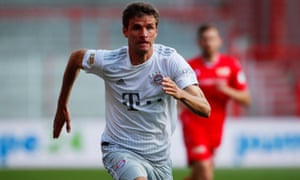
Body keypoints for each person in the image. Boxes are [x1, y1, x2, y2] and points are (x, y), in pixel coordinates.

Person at [52, 2, 211, 180]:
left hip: (160, 159)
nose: (143, 34)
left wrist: (181, 94)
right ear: (125, 31)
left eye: (149, 28)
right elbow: (76, 58)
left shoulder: (170, 61)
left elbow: (205, 109)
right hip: (120, 148)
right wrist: (62, 105)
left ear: (156, 31)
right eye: (136, 28)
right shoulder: (111, 62)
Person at [179, 24, 251, 180]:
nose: (208, 42)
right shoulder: (189, 67)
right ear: (199, 42)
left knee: (198, 175)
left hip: (216, 126)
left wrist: (226, 90)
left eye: (212, 38)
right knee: (205, 171)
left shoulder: (232, 65)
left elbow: (246, 99)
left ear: (220, 41)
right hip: (193, 123)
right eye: (204, 39)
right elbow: (179, 96)